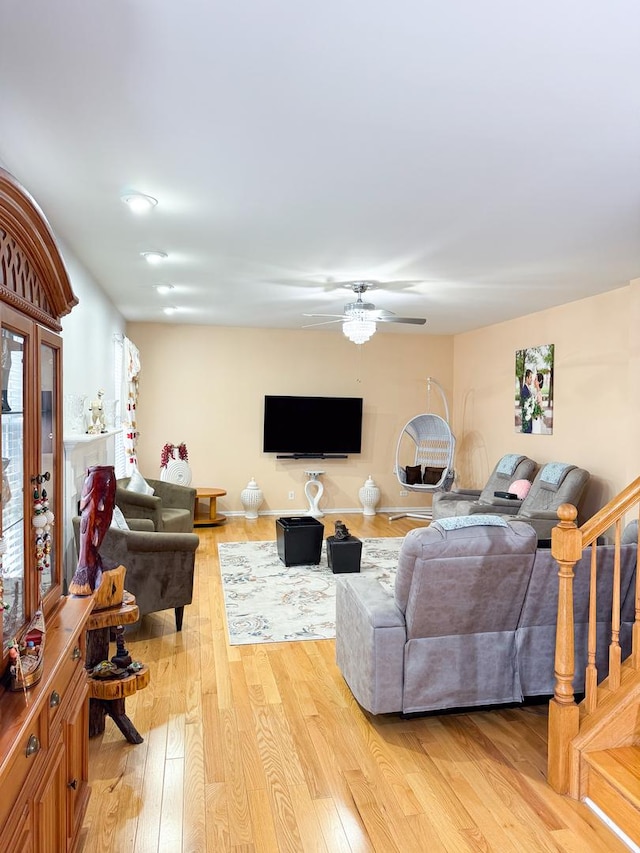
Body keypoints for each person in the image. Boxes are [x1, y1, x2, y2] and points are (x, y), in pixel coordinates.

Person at [520, 369, 533, 433]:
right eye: (530, 377)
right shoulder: (524, 390)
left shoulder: (528, 389)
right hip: (526, 422)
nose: (531, 379)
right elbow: (525, 407)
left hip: (529, 420)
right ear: (527, 378)